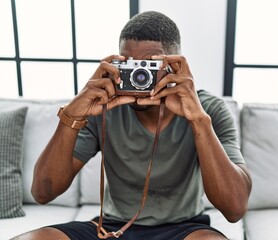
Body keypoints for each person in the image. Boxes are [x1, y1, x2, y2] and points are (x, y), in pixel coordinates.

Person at [12, 11, 252, 240]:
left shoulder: (208, 110)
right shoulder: (105, 107)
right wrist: (71, 116)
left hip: (185, 227)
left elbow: (234, 209)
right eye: (129, 66)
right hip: (112, 227)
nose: (139, 77)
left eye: (149, 66)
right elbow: (43, 192)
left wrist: (199, 121)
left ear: (173, 66)